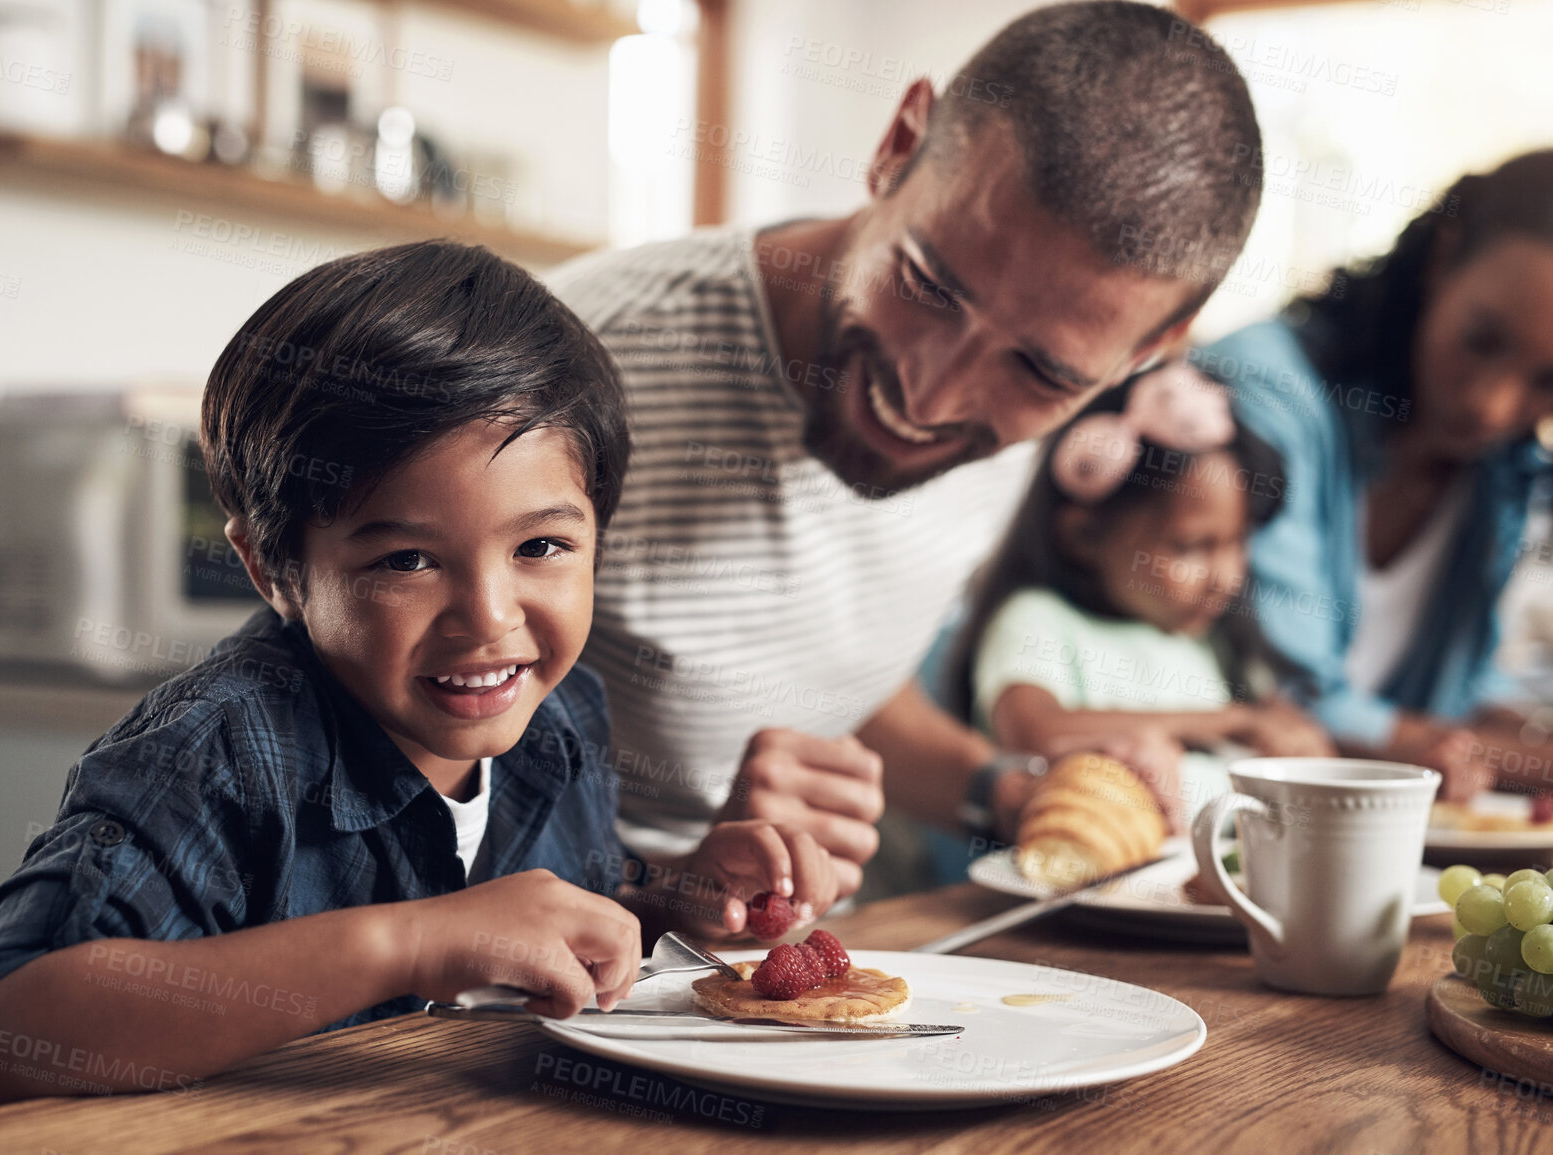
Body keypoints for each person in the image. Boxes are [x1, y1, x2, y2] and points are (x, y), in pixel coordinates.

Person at [0, 242, 836, 1110]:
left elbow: (559, 916)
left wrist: (673, 899)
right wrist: (408, 942)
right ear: (271, 569)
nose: (489, 617)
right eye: (407, 559)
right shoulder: (219, 754)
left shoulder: (562, 717)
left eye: (540, 546)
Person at [549, 0, 1264, 891]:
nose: (927, 399)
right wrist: (664, 885)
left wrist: (1012, 790)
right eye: (928, 287)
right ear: (896, 145)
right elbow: (361, 802)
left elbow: (832, 667)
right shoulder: (559, 371)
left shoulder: (1035, 425)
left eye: (1040, 371)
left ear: (1145, 351)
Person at [1195, 150, 1553, 803]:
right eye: (1481, 339)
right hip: (1151, 838)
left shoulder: (1504, 478)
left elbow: (1460, 700)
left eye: (1547, 382)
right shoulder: (1264, 389)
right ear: (1442, 258)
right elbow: (1296, 696)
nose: (1490, 406)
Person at [948, 363, 1333, 836]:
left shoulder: (1215, 643)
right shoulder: (1039, 619)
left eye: (1238, 543)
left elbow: (1282, 731)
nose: (1226, 578)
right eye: (1191, 547)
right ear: (1084, 534)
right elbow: (1035, 731)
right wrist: (1230, 721)